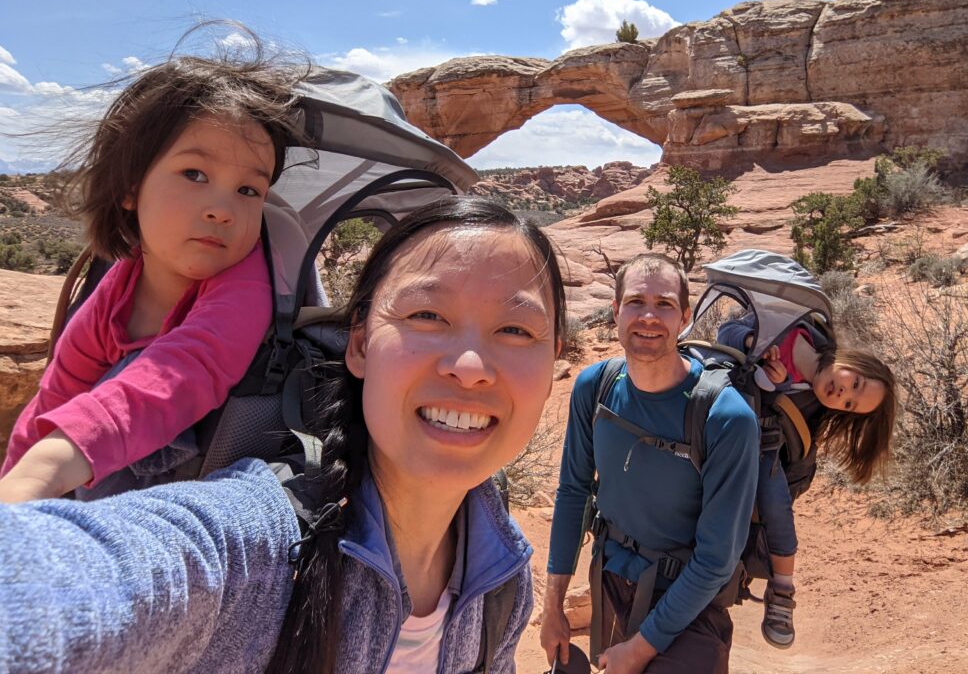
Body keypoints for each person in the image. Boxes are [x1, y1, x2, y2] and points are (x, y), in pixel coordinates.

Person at [0, 197, 566, 674]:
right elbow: (67, 583)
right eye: (427, 316)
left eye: (515, 329)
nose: (469, 366)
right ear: (361, 344)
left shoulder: (501, 576)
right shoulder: (254, 550)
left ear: (554, 363)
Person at [0, 48, 301, 502]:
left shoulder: (250, 280)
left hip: (213, 499)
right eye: (195, 173)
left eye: (248, 190)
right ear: (130, 187)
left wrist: (46, 468)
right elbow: (57, 392)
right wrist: (16, 484)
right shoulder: (118, 286)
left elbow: (186, 368)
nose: (222, 209)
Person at [541, 253, 759, 674]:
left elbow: (716, 559)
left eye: (664, 305)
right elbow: (573, 493)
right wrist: (554, 607)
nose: (648, 317)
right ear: (616, 310)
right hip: (611, 585)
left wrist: (640, 648)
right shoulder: (595, 386)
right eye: (636, 302)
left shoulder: (725, 418)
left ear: (685, 318)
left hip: (688, 604)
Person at [717, 313, 897, 649]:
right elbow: (726, 332)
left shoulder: (806, 397)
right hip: (716, 409)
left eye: (848, 404)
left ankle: (782, 589)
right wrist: (750, 342)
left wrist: (775, 383)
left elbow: (773, 399)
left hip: (759, 443)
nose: (843, 393)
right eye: (854, 383)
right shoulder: (797, 323)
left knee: (775, 501)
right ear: (851, 360)